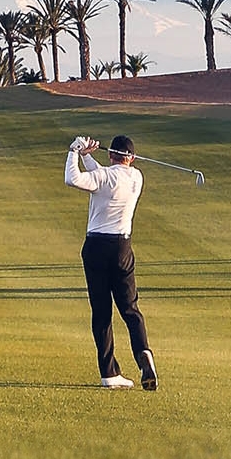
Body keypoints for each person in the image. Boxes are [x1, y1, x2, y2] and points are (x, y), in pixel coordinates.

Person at [65, 134, 158, 389]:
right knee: (130, 308)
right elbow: (105, 177)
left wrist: (75, 150)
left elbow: (72, 179)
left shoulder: (104, 176)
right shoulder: (137, 177)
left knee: (102, 311)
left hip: (96, 247)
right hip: (122, 248)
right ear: (133, 158)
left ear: (110, 155)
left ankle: (109, 373)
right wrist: (87, 157)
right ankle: (144, 353)